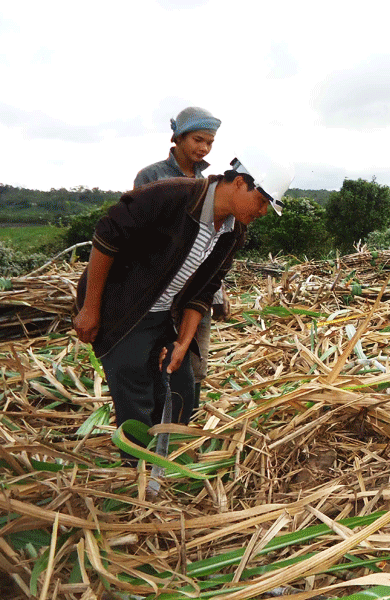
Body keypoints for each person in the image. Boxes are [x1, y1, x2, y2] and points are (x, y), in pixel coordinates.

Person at [74, 151, 294, 463]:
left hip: (165, 314)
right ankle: (138, 469)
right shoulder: (171, 197)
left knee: (181, 391)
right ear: (241, 183)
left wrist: (183, 342)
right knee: (137, 391)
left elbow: (203, 292)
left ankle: (169, 460)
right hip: (122, 310)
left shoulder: (233, 232)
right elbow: (106, 237)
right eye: (262, 201)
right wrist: (90, 308)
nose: (263, 212)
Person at [134, 107, 226, 400]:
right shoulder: (151, 176)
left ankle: (186, 418)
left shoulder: (207, 183)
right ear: (178, 137)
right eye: (198, 139)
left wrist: (218, 291)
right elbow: (138, 234)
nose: (204, 148)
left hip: (196, 289)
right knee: (157, 356)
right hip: (160, 287)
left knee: (195, 356)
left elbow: (212, 242)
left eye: (210, 143)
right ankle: (154, 420)